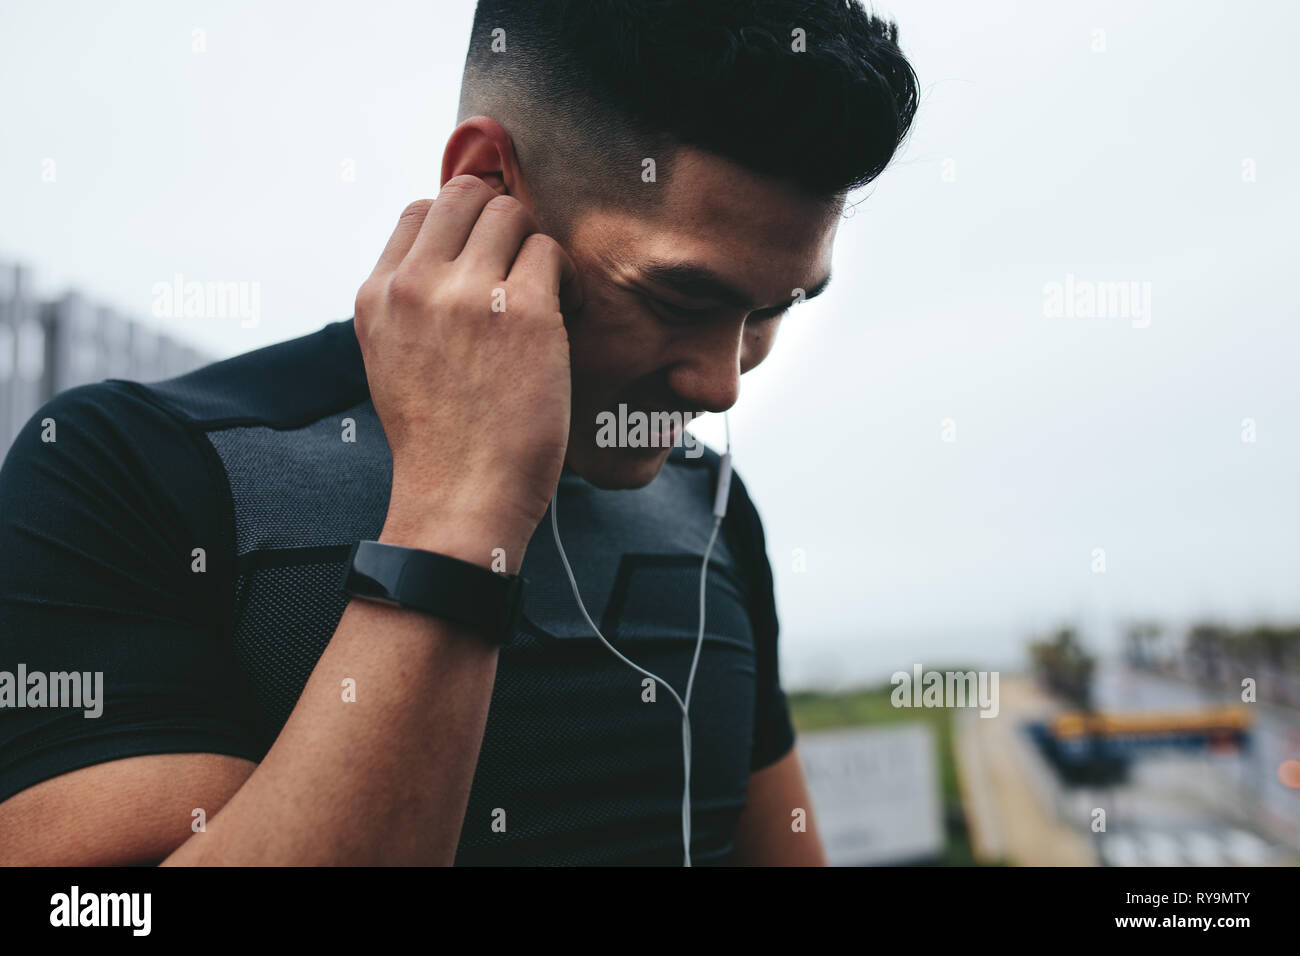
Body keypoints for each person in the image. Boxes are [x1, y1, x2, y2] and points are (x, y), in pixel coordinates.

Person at [0, 0, 917, 865]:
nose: (720, 387)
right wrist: (458, 514)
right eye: (679, 297)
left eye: (771, 312)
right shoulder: (124, 470)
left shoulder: (707, 508)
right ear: (487, 180)